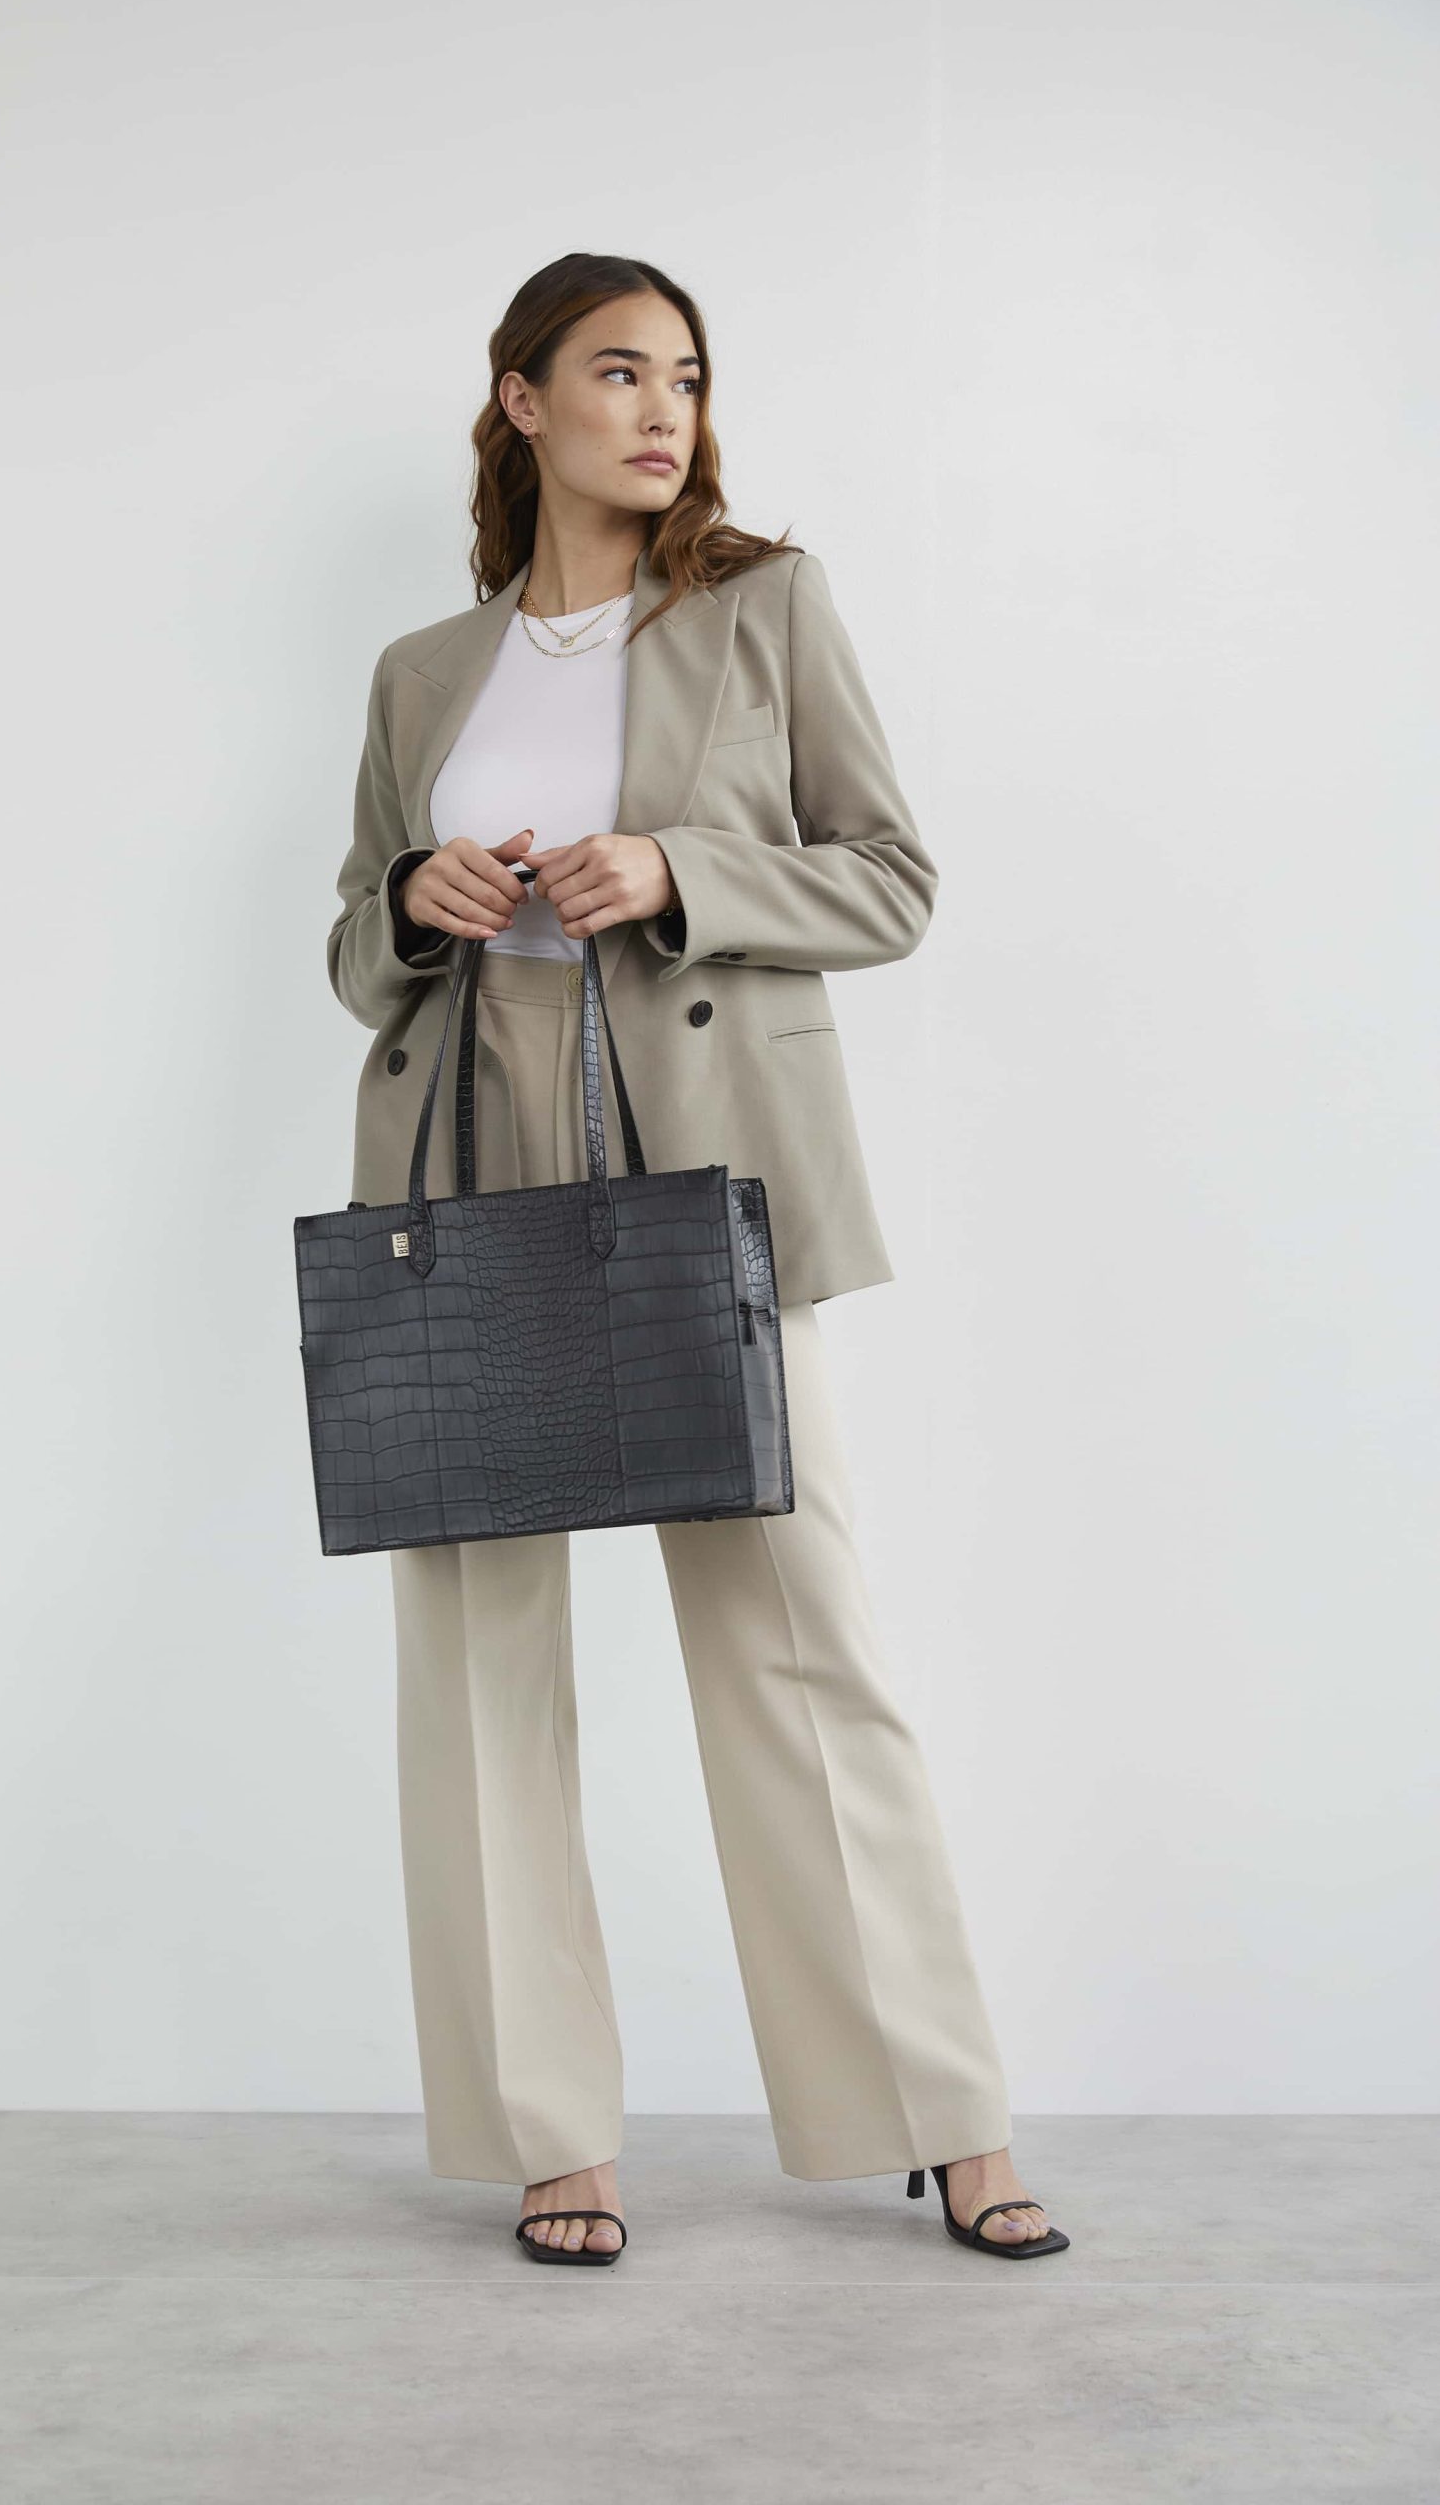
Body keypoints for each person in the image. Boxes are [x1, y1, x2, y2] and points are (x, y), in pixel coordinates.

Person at [323, 252, 1068, 2265]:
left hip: (706, 1151)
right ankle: (548, 2132)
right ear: (520, 400)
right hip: (470, 1148)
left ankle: (940, 2108)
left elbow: (890, 880)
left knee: (796, 1634)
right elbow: (351, 947)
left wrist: (675, 868)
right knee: (480, 1656)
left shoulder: (764, 607)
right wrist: (415, 898)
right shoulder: (422, 671)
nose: (662, 408)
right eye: (616, 371)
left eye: (685, 374)